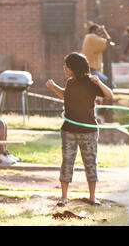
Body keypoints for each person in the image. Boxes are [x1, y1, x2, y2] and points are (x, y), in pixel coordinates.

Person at [46, 52, 113, 206]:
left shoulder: (91, 82)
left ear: (74, 67)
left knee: (90, 163)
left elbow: (109, 95)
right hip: (69, 129)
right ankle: (63, 198)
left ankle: (92, 197)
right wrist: (53, 86)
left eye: (66, 65)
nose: (64, 68)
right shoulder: (70, 82)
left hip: (89, 130)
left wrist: (99, 83)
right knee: (67, 162)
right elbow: (65, 96)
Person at [81, 24, 115, 89]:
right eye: (99, 31)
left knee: (101, 88)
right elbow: (110, 44)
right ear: (93, 31)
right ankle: (107, 99)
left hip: (89, 69)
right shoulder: (92, 37)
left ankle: (103, 99)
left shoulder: (88, 37)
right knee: (110, 85)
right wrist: (105, 32)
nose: (100, 33)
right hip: (91, 70)